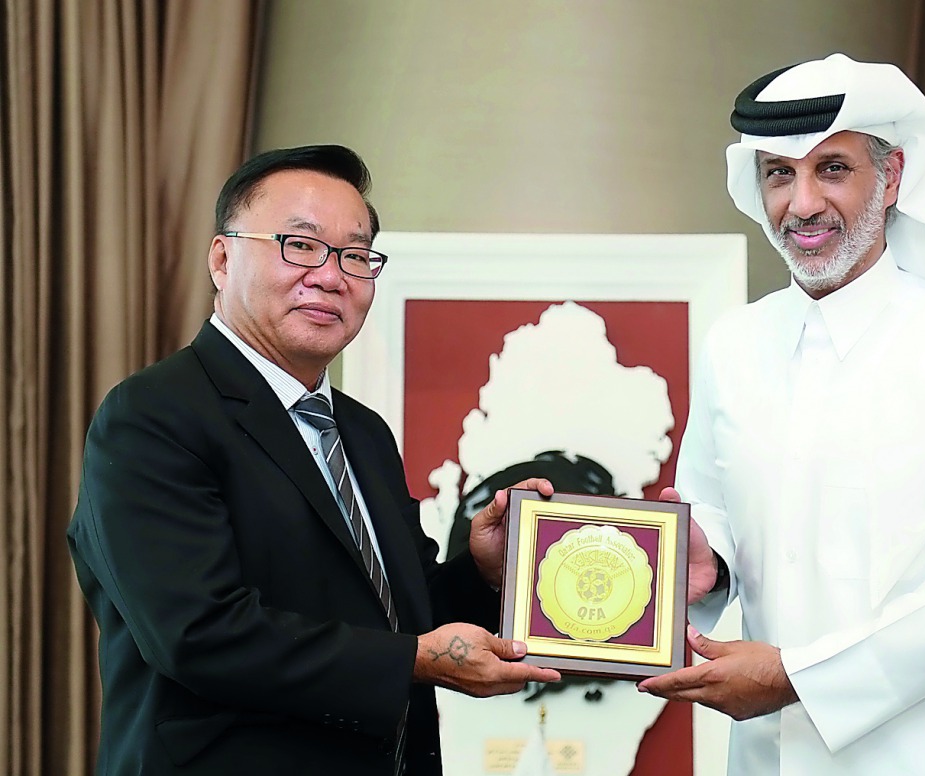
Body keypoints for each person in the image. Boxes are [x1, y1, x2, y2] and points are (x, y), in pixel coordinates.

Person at [638, 53, 925, 775]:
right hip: (775, 754)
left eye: (832, 169)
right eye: (780, 173)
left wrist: (799, 678)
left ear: (893, 176)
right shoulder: (735, 347)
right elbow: (717, 514)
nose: (802, 204)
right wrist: (708, 563)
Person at [67, 144, 560, 776]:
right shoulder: (154, 415)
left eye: (356, 256)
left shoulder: (364, 432)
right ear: (222, 258)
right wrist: (412, 662)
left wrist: (486, 573)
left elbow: (398, 616)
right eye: (300, 245)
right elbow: (199, 634)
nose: (331, 276)